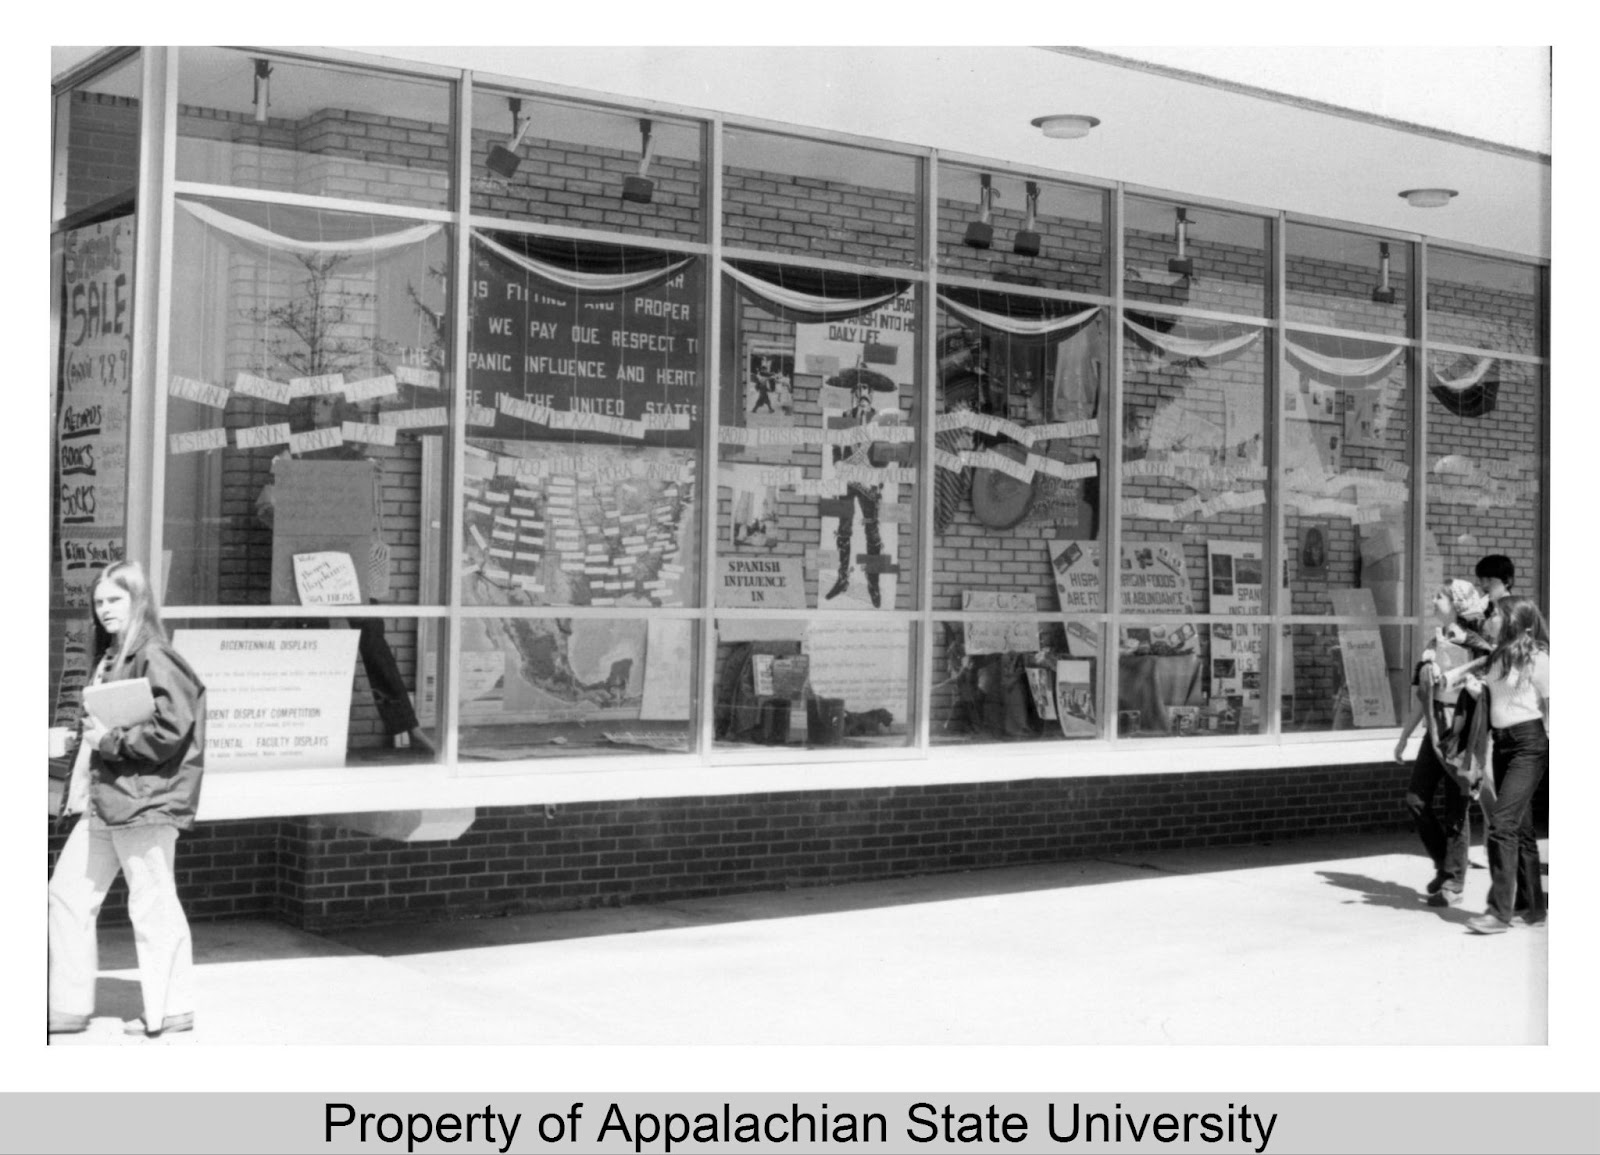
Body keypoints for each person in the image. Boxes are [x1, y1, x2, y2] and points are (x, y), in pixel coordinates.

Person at [48, 561, 207, 1039]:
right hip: (106, 799)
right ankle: (68, 1005)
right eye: (98, 603)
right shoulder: (115, 654)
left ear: (138, 600)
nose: (104, 610)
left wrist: (111, 742)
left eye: (114, 600)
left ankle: (173, 1007)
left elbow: (173, 728)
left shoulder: (156, 654)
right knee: (66, 895)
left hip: (143, 801)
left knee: (153, 904)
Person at [256, 393, 434, 754]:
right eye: (313, 403)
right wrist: (281, 481)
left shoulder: (352, 454)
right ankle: (315, 733)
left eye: (323, 402)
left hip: (344, 563)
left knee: (371, 636)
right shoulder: (294, 452)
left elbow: (361, 509)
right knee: (316, 641)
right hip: (306, 562)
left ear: (338, 411)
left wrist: (368, 478)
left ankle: (406, 724)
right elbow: (268, 508)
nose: (315, 409)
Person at [1393, 580, 1493, 906]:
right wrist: (1405, 735)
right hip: (1435, 732)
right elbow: (1423, 697)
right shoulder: (1433, 643)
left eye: (1439, 596)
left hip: (1462, 733)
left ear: (1456, 603)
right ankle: (1444, 861)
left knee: (1456, 808)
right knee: (1415, 800)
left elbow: (1489, 682)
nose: (1433, 600)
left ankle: (1453, 882)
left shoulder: (1478, 644)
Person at [1460, 595, 1550, 934]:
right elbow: (1497, 697)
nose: (1489, 618)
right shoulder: (1498, 655)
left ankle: (1499, 913)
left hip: (1529, 744)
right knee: (1521, 829)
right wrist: (1475, 688)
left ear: (1512, 619)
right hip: (1503, 744)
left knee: (1501, 823)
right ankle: (1532, 906)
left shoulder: (1537, 658)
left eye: (1495, 614)